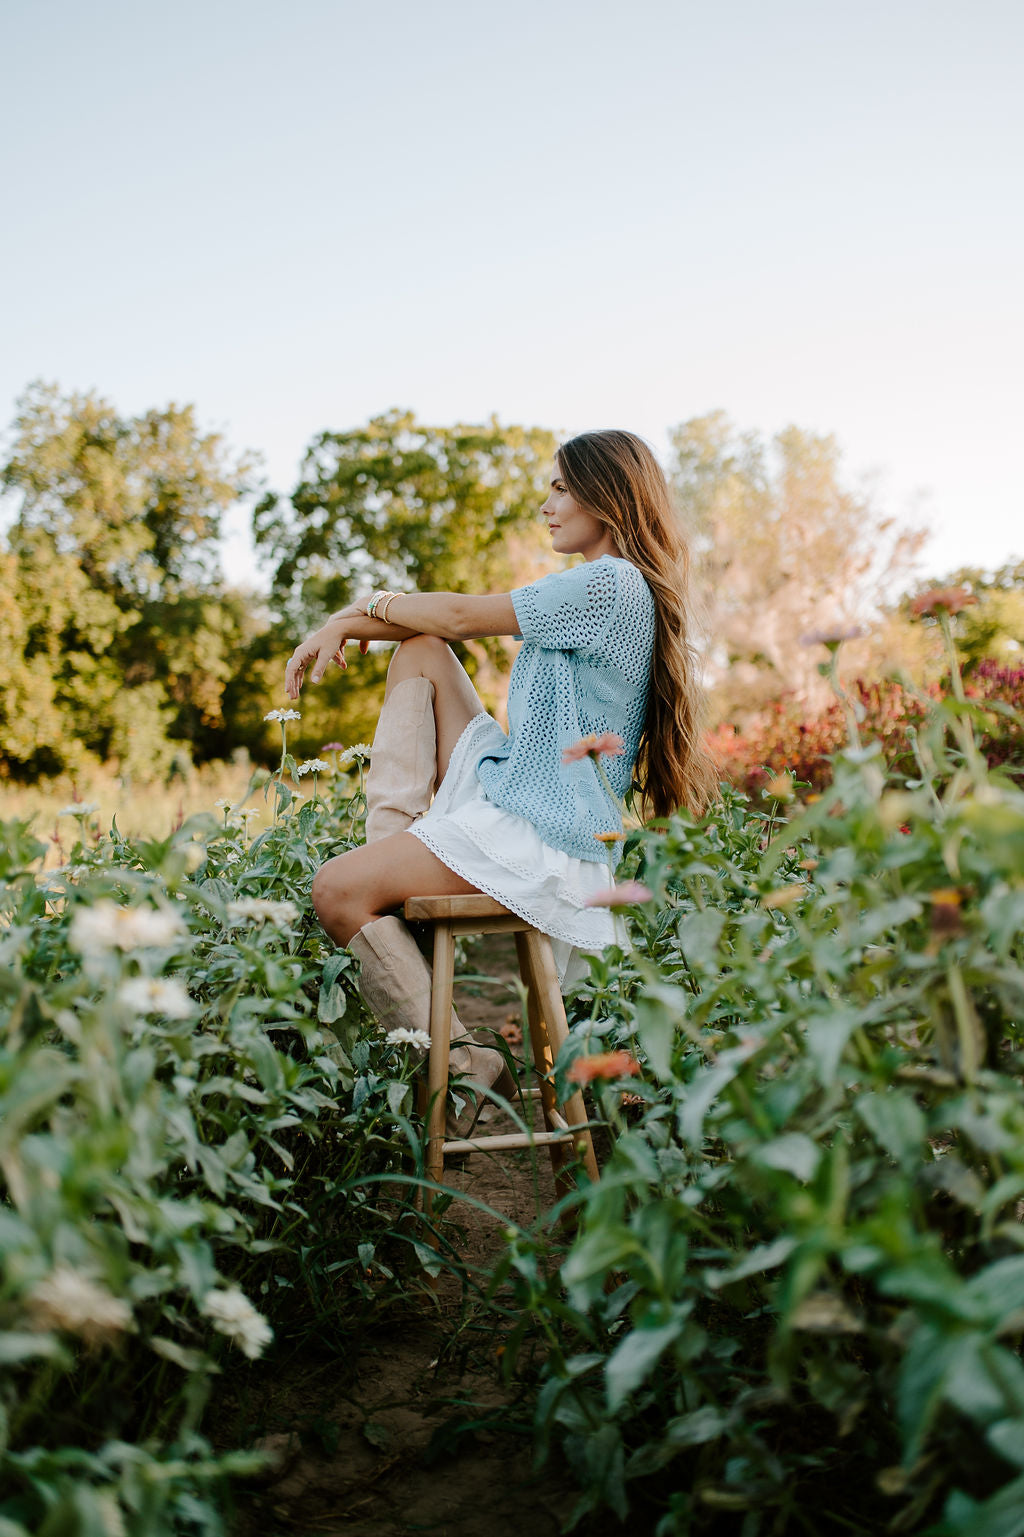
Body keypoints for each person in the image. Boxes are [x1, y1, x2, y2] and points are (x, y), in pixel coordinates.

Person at [284, 429, 717, 1126]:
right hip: (518, 784)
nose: (545, 503)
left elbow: (461, 614)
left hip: (543, 827)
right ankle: (388, 861)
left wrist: (351, 612)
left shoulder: (607, 583)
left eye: (560, 487)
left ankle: (461, 1060)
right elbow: (436, 630)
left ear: (606, 497)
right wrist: (351, 619)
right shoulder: (609, 584)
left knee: (335, 890)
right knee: (421, 652)